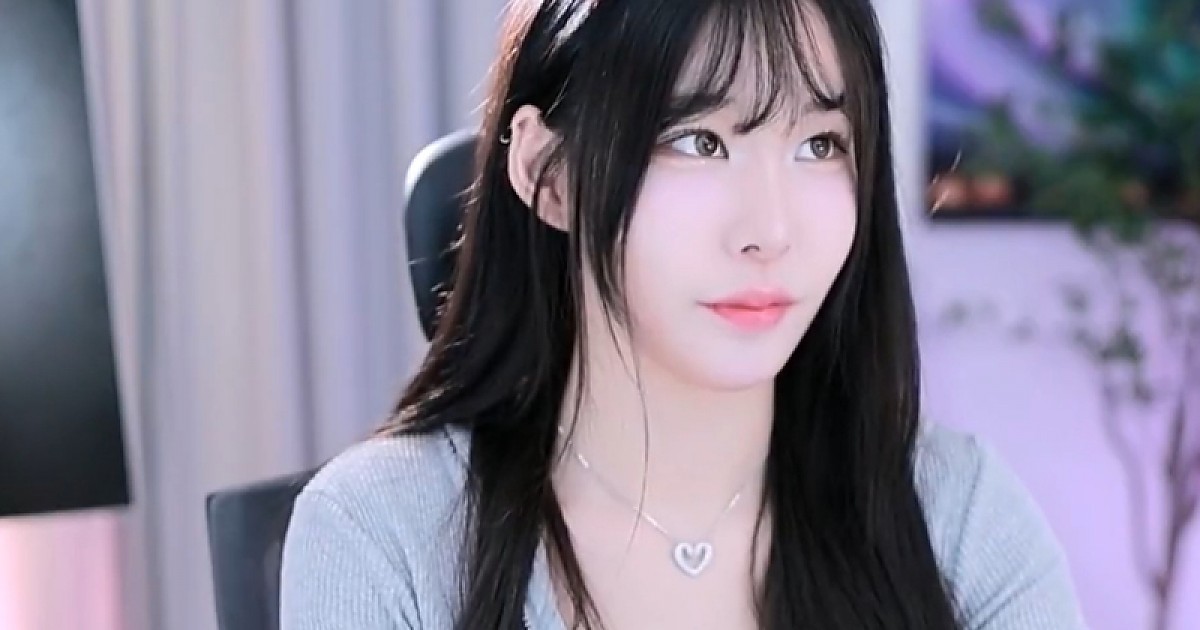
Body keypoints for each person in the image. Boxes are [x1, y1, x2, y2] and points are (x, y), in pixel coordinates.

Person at [279, 0, 1088, 628]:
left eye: (819, 144)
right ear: (548, 173)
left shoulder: (955, 511)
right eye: (700, 141)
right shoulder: (381, 533)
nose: (771, 231)